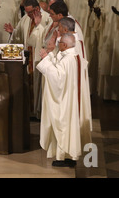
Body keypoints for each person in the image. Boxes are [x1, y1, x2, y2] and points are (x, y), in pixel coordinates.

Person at [36, 32, 92, 167]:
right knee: (70, 127)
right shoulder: (75, 56)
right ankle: (69, 156)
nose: (57, 45)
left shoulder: (68, 59)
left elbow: (57, 78)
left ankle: (63, 157)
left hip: (65, 100)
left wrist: (45, 60)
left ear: (65, 45)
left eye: (59, 43)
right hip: (70, 97)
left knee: (63, 125)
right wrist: (49, 56)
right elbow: (61, 70)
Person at [6, 0, 52, 117]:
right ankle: (30, 111)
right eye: (26, 12)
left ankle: (39, 112)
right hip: (29, 58)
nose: (28, 15)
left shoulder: (47, 18)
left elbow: (48, 39)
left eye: (30, 12)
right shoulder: (26, 19)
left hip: (40, 57)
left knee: (38, 85)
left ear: (37, 9)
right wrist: (13, 32)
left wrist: (38, 26)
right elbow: (20, 35)